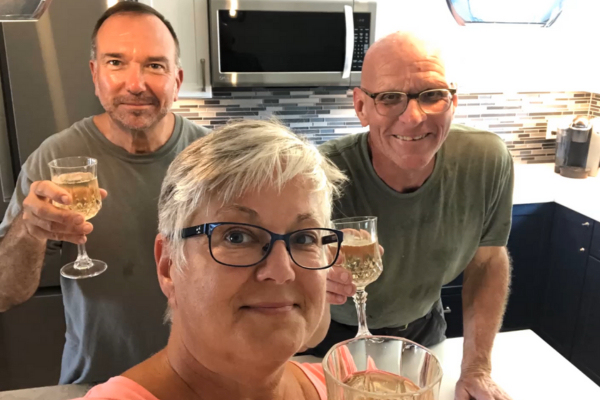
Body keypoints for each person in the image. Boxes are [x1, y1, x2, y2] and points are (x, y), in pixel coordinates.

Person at [0, 3, 208, 384]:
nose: (135, 83)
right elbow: (4, 292)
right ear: (95, 75)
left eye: (155, 65)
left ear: (176, 80)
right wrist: (29, 230)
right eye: (116, 62)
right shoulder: (52, 159)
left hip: (201, 384)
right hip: (94, 385)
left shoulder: (213, 158)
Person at [71, 119, 346, 400]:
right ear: (168, 266)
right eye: (236, 237)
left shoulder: (356, 386)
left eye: (303, 239)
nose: (281, 271)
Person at [320, 32, 514, 400]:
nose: (413, 117)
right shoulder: (320, 173)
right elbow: (279, 272)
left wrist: (476, 369)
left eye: (432, 95)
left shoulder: (487, 161)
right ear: (361, 107)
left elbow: (488, 261)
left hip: (424, 336)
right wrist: (310, 277)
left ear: (453, 102)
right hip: (331, 340)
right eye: (389, 98)